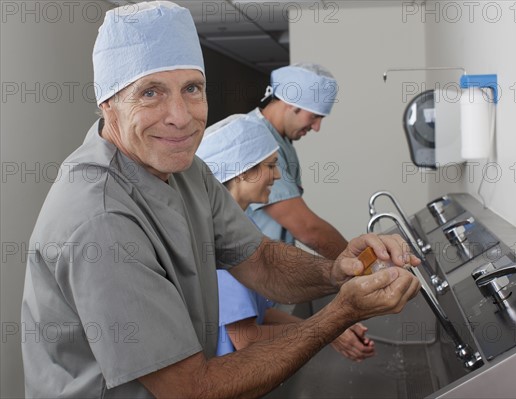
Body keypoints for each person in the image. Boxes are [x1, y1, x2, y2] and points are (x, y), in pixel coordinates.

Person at [20, 2, 421, 398]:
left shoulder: (187, 171)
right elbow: (190, 390)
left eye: (192, 88)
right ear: (108, 104)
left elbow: (260, 259)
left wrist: (337, 270)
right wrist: (340, 315)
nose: (180, 115)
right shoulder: (100, 220)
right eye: (151, 92)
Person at [197, 115, 375, 362]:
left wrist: (330, 328)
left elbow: (259, 314)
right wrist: (328, 328)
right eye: (270, 166)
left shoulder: (241, 227)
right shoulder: (219, 241)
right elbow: (245, 338)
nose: (278, 175)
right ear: (240, 172)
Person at [244, 63, 348, 260]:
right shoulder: (256, 140)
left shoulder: (281, 143)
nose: (317, 127)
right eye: (314, 116)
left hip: (271, 266)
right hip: (246, 273)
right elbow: (307, 228)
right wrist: (362, 264)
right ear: (290, 103)